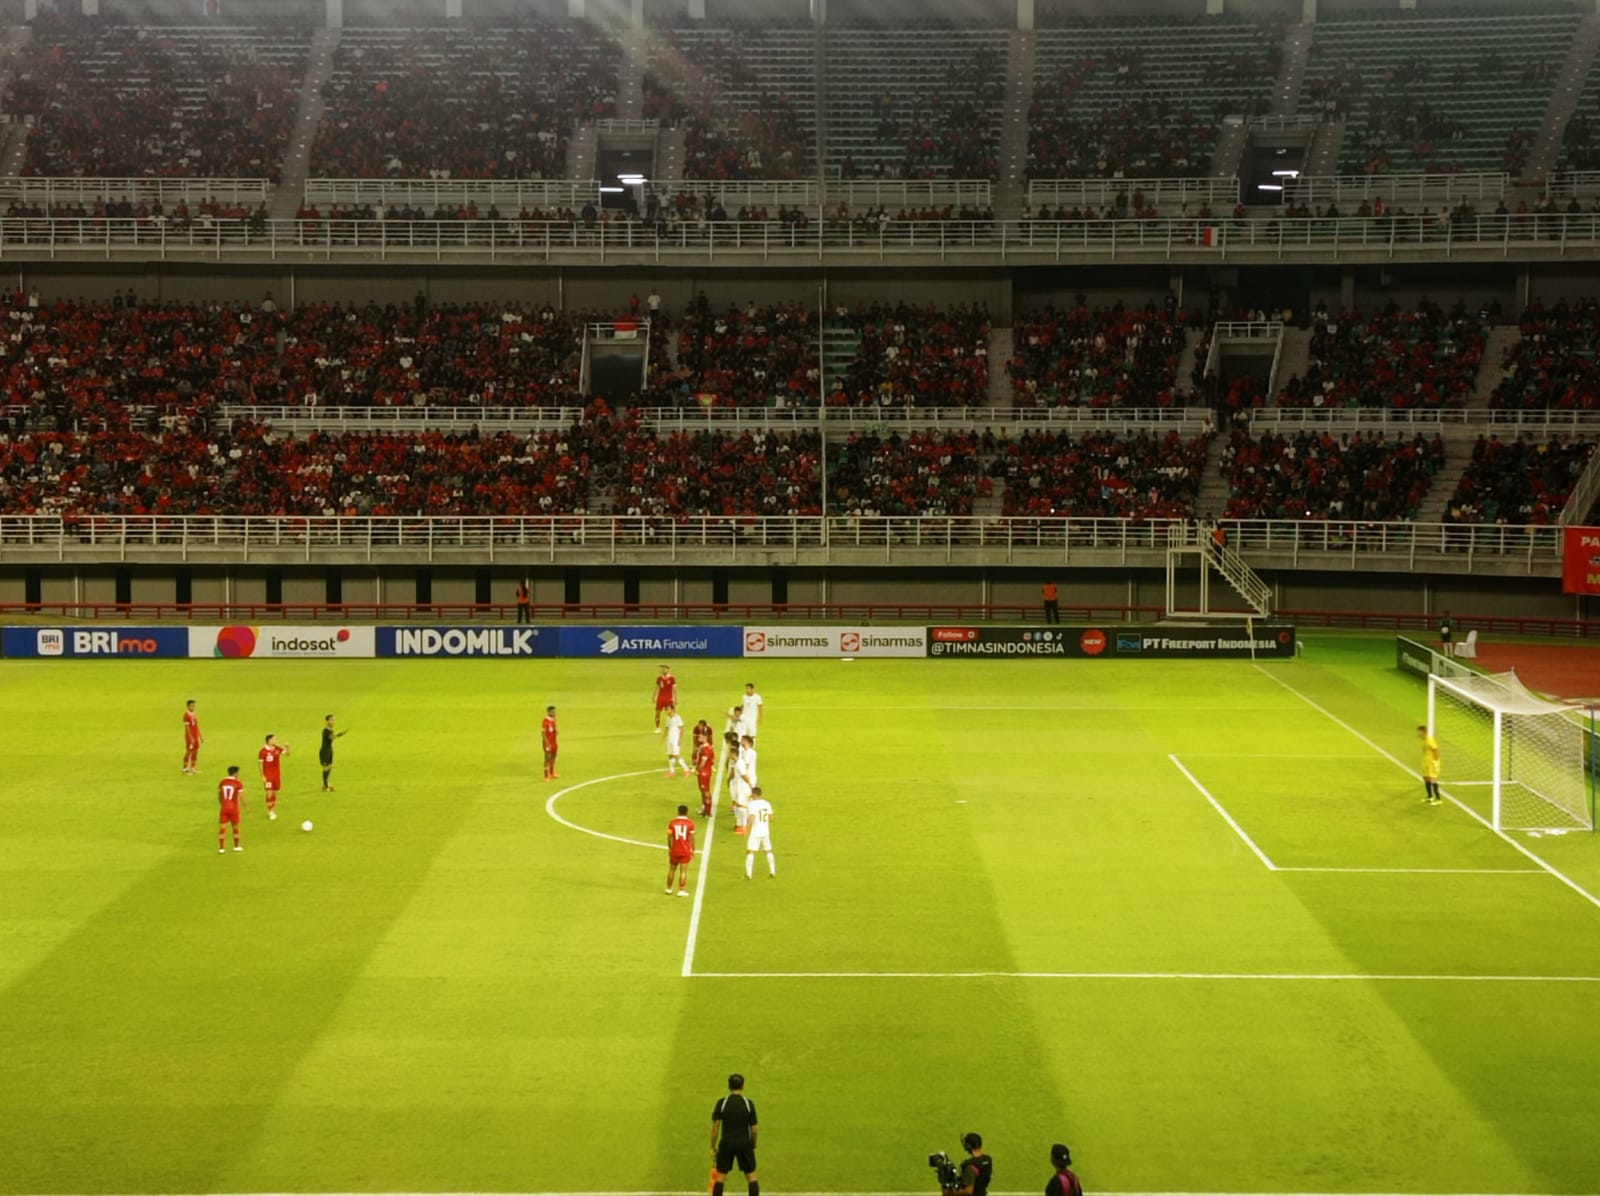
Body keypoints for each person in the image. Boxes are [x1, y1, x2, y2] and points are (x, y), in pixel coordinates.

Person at [710, 1073, 759, 1196]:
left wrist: (712, 1146)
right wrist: (752, 1144)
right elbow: (754, 1129)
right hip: (744, 1143)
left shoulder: (722, 1103)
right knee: (751, 1175)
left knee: (720, 1176)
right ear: (742, 1086)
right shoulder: (748, 1104)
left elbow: (716, 1126)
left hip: (727, 1143)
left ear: (729, 1086)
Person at [744, 786, 775, 879]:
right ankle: (772, 871)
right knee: (768, 850)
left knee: (750, 851)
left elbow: (751, 818)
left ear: (753, 794)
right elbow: (771, 818)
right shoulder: (767, 803)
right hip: (765, 831)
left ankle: (748, 874)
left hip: (755, 831)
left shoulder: (752, 804)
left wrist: (747, 829)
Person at [258, 733, 289, 821]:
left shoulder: (277, 748)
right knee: (269, 792)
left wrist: (287, 747)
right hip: (268, 776)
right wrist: (262, 776)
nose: (276, 740)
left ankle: (271, 809)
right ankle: (271, 811)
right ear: (269, 740)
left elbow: (287, 754)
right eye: (274, 739)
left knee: (274, 793)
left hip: (276, 775)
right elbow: (260, 764)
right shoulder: (262, 751)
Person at [666, 803, 695, 896]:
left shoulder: (672, 823)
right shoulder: (690, 824)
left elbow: (669, 837)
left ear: (678, 812)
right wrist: (693, 849)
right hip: (685, 850)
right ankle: (681, 890)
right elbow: (692, 838)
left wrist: (670, 848)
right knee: (683, 871)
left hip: (675, 849)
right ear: (687, 813)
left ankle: (669, 888)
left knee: (671, 870)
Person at [733, 735, 758, 835]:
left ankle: (744, 827)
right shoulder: (749, 752)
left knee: (742, 803)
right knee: (746, 802)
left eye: (743, 740)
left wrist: (746, 779)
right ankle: (746, 824)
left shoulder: (748, 753)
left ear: (747, 741)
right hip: (750, 779)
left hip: (747, 780)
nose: (741, 741)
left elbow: (746, 767)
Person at [217, 764, 245, 852]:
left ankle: (221, 848)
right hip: (233, 808)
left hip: (224, 807)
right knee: (235, 827)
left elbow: (219, 795)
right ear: (235, 773)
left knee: (222, 827)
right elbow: (241, 797)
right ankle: (236, 846)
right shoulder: (238, 783)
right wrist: (245, 805)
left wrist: (222, 803)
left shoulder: (222, 782)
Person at [319, 714, 347, 791]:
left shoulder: (330, 730)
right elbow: (332, 737)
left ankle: (326, 783)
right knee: (326, 768)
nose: (333, 722)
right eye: (331, 720)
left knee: (330, 766)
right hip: (325, 751)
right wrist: (340, 734)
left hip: (329, 750)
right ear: (327, 721)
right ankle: (325, 786)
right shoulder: (325, 731)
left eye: (334, 720)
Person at [1418, 724, 1442, 805]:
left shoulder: (1429, 740)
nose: (1418, 734)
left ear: (1424, 732)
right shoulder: (1424, 740)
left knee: (1433, 780)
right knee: (1426, 778)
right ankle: (1430, 797)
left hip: (1431, 763)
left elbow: (1436, 750)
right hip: (1426, 763)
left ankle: (1438, 799)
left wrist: (1436, 761)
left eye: (1419, 732)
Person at [663, 704, 688, 777]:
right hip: (670, 739)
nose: (666, 711)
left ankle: (686, 769)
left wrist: (680, 740)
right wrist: (664, 738)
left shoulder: (678, 718)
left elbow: (682, 729)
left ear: (672, 709)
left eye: (668, 709)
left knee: (676, 755)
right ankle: (672, 771)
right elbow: (667, 728)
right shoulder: (668, 718)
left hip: (675, 740)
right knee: (670, 755)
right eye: (666, 710)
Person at [695, 733, 717, 817]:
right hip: (703, 772)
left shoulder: (706, 749)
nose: (698, 738)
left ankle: (708, 811)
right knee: (702, 791)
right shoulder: (702, 747)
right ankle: (705, 808)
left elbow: (703, 763)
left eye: (700, 736)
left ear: (705, 737)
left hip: (704, 773)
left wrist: (697, 770)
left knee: (706, 791)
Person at [654, 664, 678, 732]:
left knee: (671, 713)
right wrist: (654, 696)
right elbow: (657, 687)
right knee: (657, 713)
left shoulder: (672, 678)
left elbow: (674, 689)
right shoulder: (659, 678)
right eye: (662, 669)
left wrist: (675, 698)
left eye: (664, 669)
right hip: (660, 698)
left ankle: (673, 726)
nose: (663, 670)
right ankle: (658, 728)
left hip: (668, 698)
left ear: (668, 669)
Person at [182, 698, 202, 774]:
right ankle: (185, 768)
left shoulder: (194, 713)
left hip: (195, 735)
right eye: (191, 706)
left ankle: (193, 768)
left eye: (194, 705)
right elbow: (187, 727)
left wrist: (200, 735)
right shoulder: (186, 715)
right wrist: (191, 737)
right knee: (189, 751)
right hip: (190, 737)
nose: (193, 707)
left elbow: (196, 725)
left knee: (196, 750)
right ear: (188, 706)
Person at [542, 705, 560, 781]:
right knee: (547, 758)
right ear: (549, 712)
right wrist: (547, 744)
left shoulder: (553, 719)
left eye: (555, 711)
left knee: (554, 757)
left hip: (554, 742)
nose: (555, 713)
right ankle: (546, 776)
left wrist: (556, 730)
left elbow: (553, 728)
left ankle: (552, 773)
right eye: (553, 711)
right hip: (548, 743)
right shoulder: (545, 721)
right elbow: (543, 734)